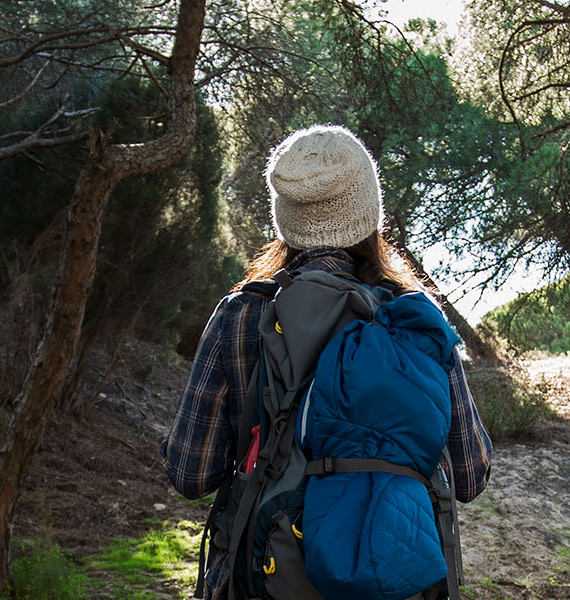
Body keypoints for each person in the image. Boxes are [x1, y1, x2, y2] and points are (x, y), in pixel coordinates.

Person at [161, 124, 493, 598]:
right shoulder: (414, 320)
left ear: (286, 220)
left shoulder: (241, 317)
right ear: (369, 214)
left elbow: (190, 475)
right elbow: (470, 475)